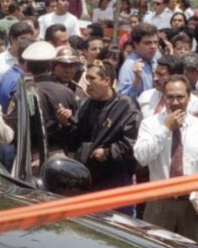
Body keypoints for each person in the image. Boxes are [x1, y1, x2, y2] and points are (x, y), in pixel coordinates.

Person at [133, 75, 198, 243]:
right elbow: (142, 158)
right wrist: (165, 129)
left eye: (180, 97)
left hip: (192, 203)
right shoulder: (150, 124)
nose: (175, 102)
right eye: (170, 97)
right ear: (163, 97)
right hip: (159, 202)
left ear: (189, 97)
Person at [57, 62, 140, 214]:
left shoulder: (126, 106)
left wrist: (108, 152)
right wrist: (66, 124)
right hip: (89, 179)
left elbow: (133, 143)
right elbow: (76, 140)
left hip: (115, 181)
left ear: (107, 81)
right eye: (86, 79)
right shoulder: (87, 105)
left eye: (92, 79)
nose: (87, 84)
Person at [118, 23, 159, 102]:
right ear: (136, 44)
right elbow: (124, 99)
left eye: (155, 42)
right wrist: (137, 80)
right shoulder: (129, 66)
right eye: (147, 43)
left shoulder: (154, 60)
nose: (153, 46)